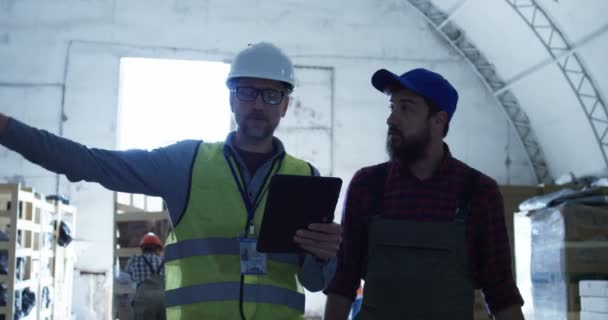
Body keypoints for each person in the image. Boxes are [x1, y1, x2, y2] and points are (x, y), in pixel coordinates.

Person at [0, 42, 342, 320]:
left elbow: (312, 282)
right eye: (247, 91)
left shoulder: (305, 178)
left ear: (285, 106)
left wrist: (326, 256)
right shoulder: (187, 164)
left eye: (271, 95)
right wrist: (7, 130)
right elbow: (93, 164)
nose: (257, 104)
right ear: (231, 98)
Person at [324, 68, 524, 320]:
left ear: (439, 120)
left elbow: (500, 290)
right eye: (392, 107)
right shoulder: (368, 186)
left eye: (406, 108)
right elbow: (344, 279)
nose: (391, 119)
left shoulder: (477, 192)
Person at [127, 232, 165, 320]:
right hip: (163, 299)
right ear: (158, 249)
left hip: (144, 300)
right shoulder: (164, 261)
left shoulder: (135, 259)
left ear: (143, 248)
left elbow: (129, 275)